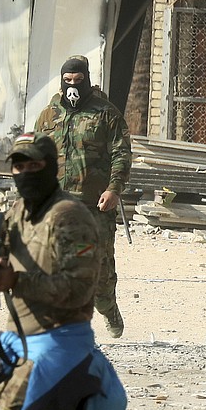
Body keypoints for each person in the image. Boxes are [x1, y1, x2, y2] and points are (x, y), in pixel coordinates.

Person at [0, 132, 126, 410]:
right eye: (19, 166)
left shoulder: (69, 216)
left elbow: (78, 289)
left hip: (57, 349)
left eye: (35, 166)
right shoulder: (15, 215)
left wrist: (19, 281)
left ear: (52, 168)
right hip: (20, 346)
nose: (25, 173)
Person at [34, 55, 132, 339]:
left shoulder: (106, 113)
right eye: (68, 81)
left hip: (95, 205)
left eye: (78, 81)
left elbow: (121, 154)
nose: (73, 86)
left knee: (99, 271)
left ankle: (108, 308)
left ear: (87, 79)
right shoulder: (49, 115)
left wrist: (114, 189)